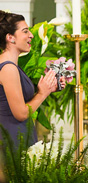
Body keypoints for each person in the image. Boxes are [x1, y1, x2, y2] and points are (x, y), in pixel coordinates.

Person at [0, 11, 58, 150]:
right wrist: (42, 93)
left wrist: (49, 86)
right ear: (10, 37)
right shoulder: (8, 68)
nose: (31, 35)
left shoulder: (12, 66)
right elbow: (21, 113)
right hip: (12, 138)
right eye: (25, 31)